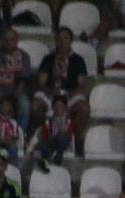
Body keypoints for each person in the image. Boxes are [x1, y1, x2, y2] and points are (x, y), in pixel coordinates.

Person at [37, 27, 92, 155]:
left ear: (71, 40)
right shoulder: (48, 59)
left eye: (66, 38)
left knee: (84, 108)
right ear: (55, 41)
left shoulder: (78, 60)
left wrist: (68, 94)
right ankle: (45, 138)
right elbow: (41, 82)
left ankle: (70, 137)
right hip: (51, 94)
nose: (62, 42)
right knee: (35, 106)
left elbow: (82, 85)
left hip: (70, 95)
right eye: (59, 39)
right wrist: (51, 91)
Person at [0, 29, 32, 133]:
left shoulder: (24, 56)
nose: (9, 43)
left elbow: (22, 82)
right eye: (6, 40)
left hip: (16, 92)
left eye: (12, 40)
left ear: (17, 41)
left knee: (25, 105)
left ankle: (19, 135)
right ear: (1, 41)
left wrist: (11, 99)